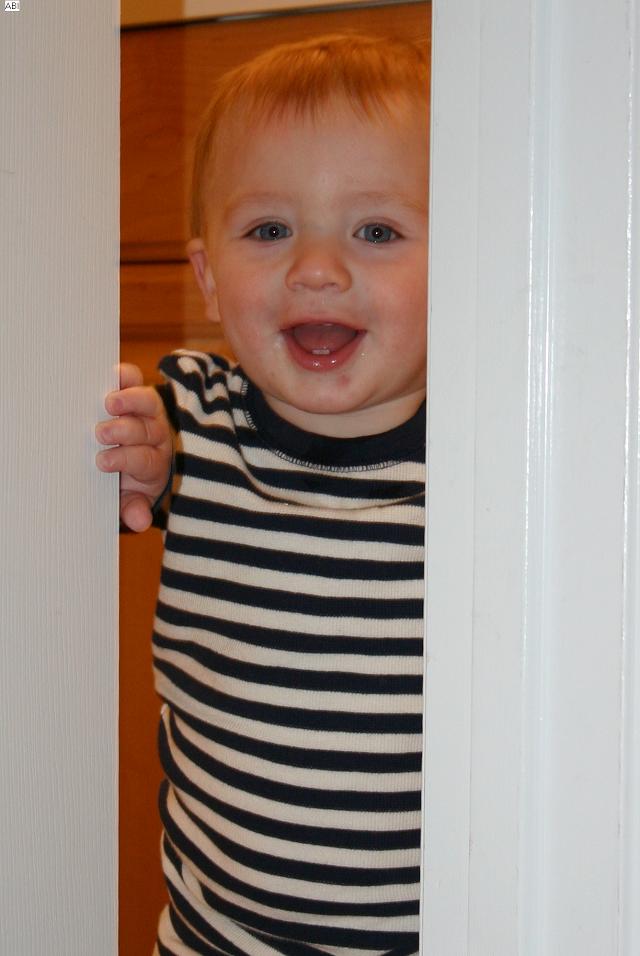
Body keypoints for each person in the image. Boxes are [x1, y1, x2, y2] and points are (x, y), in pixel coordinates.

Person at [97, 32, 429, 956]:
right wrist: (138, 449)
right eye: (270, 230)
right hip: (216, 936)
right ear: (208, 277)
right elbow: (132, 446)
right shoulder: (197, 423)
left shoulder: (495, 458)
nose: (316, 268)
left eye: (376, 231)